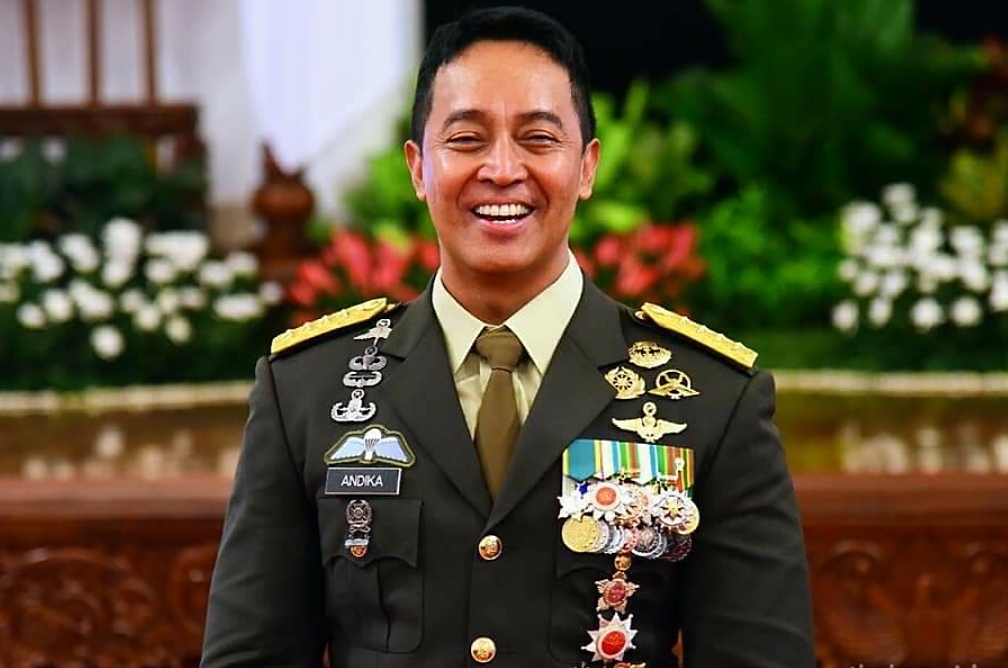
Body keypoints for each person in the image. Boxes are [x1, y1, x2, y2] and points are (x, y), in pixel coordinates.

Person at [200, 6, 815, 668]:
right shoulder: (307, 392)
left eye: (538, 139)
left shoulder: (712, 402)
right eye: (466, 139)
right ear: (417, 168)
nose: (501, 169)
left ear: (586, 167)